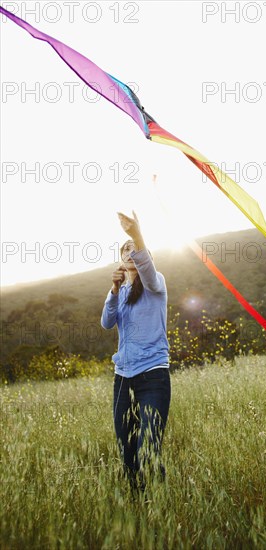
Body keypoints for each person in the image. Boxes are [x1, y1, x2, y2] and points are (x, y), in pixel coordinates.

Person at [101, 210, 171, 494]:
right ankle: (139, 505)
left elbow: (148, 270)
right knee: (127, 453)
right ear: (119, 261)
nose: (129, 252)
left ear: (145, 258)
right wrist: (114, 289)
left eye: (135, 250)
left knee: (148, 448)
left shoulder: (156, 284)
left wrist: (137, 235)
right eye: (125, 250)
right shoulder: (120, 291)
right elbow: (107, 323)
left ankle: (160, 504)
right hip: (123, 379)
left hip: (153, 376)